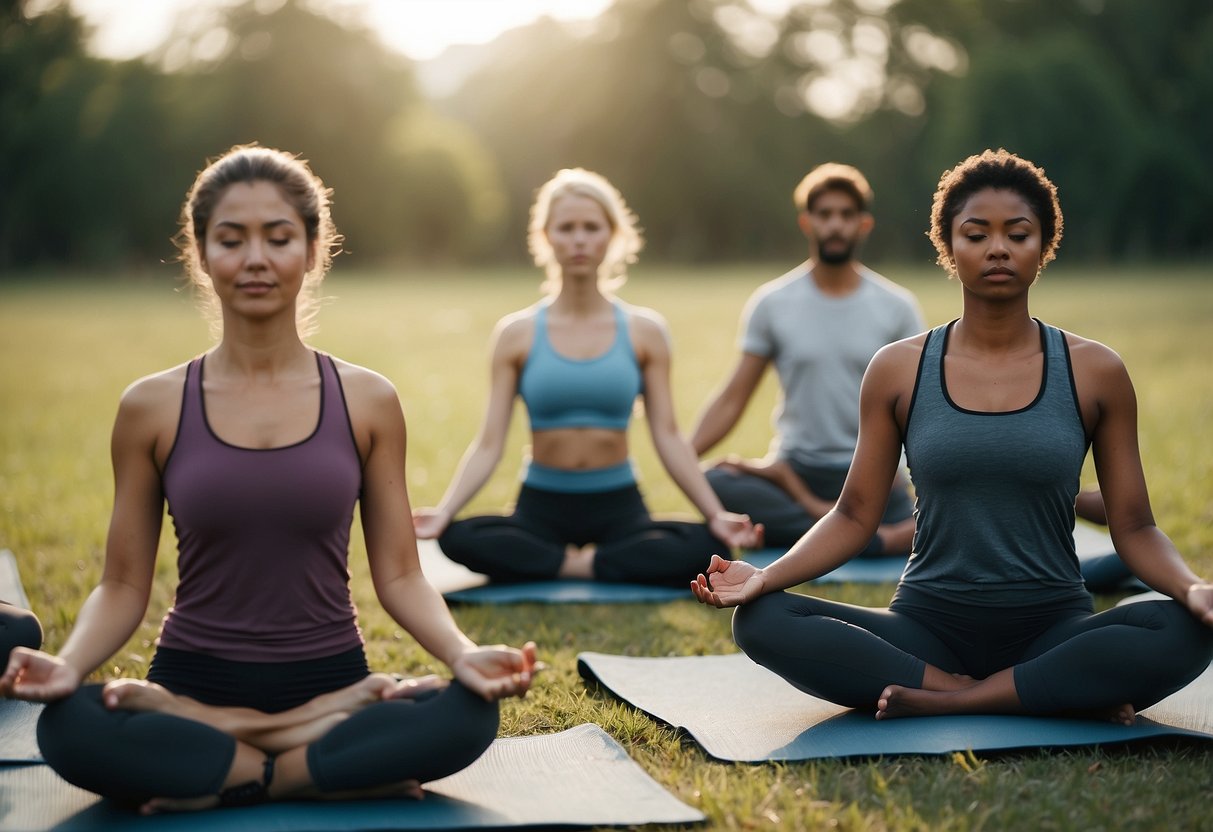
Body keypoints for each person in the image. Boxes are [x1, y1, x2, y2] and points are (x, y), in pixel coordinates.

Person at [0, 146, 536, 813]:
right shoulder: (151, 406)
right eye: (231, 240)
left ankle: (230, 765)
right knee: (69, 723)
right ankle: (305, 758)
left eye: (278, 238)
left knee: (465, 712)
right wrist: (70, 666)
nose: (255, 258)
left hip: (330, 678)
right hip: (195, 681)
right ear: (201, 254)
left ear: (313, 250)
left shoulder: (367, 400)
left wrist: (461, 654)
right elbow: (122, 583)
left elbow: (399, 574)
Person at [691, 149, 1213, 722]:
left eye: (1018, 234)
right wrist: (765, 577)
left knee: (1182, 627)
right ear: (949, 246)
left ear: (1043, 247)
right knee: (762, 618)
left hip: (1055, 625)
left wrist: (1191, 588)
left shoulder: (1097, 372)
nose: (997, 249)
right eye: (976, 234)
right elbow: (853, 515)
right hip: (928, 626)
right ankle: (1006, 689)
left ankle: (956, 699)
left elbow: (1134, 526)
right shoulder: (898, 369)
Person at [414, 168, 761, 586]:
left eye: (591, 228)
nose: (579, 239)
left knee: (710, 547)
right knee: (457, 537)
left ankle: (560, 565)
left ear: (612, 236)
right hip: (540, 506)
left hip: (619, 505)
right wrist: (446, 510)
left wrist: (715, 514)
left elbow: (668, 435)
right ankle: (595, 566)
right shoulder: (515, 334)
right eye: (566, 228)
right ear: (546, 237)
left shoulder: (645, 331)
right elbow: (489, 443)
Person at [691, 163, 924, 555]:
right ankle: (873, 538)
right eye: (825, 215)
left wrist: (913, 476)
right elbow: (734, 397)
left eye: (846, 215)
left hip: (872, 473)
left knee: (943, 517)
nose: (835, 225)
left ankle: (820, 525)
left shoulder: (896, 307)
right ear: (807, 223)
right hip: (796, 466)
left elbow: (919, 406)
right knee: (712, 481)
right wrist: (683, 457)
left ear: (863, 224)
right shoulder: (773, 302)